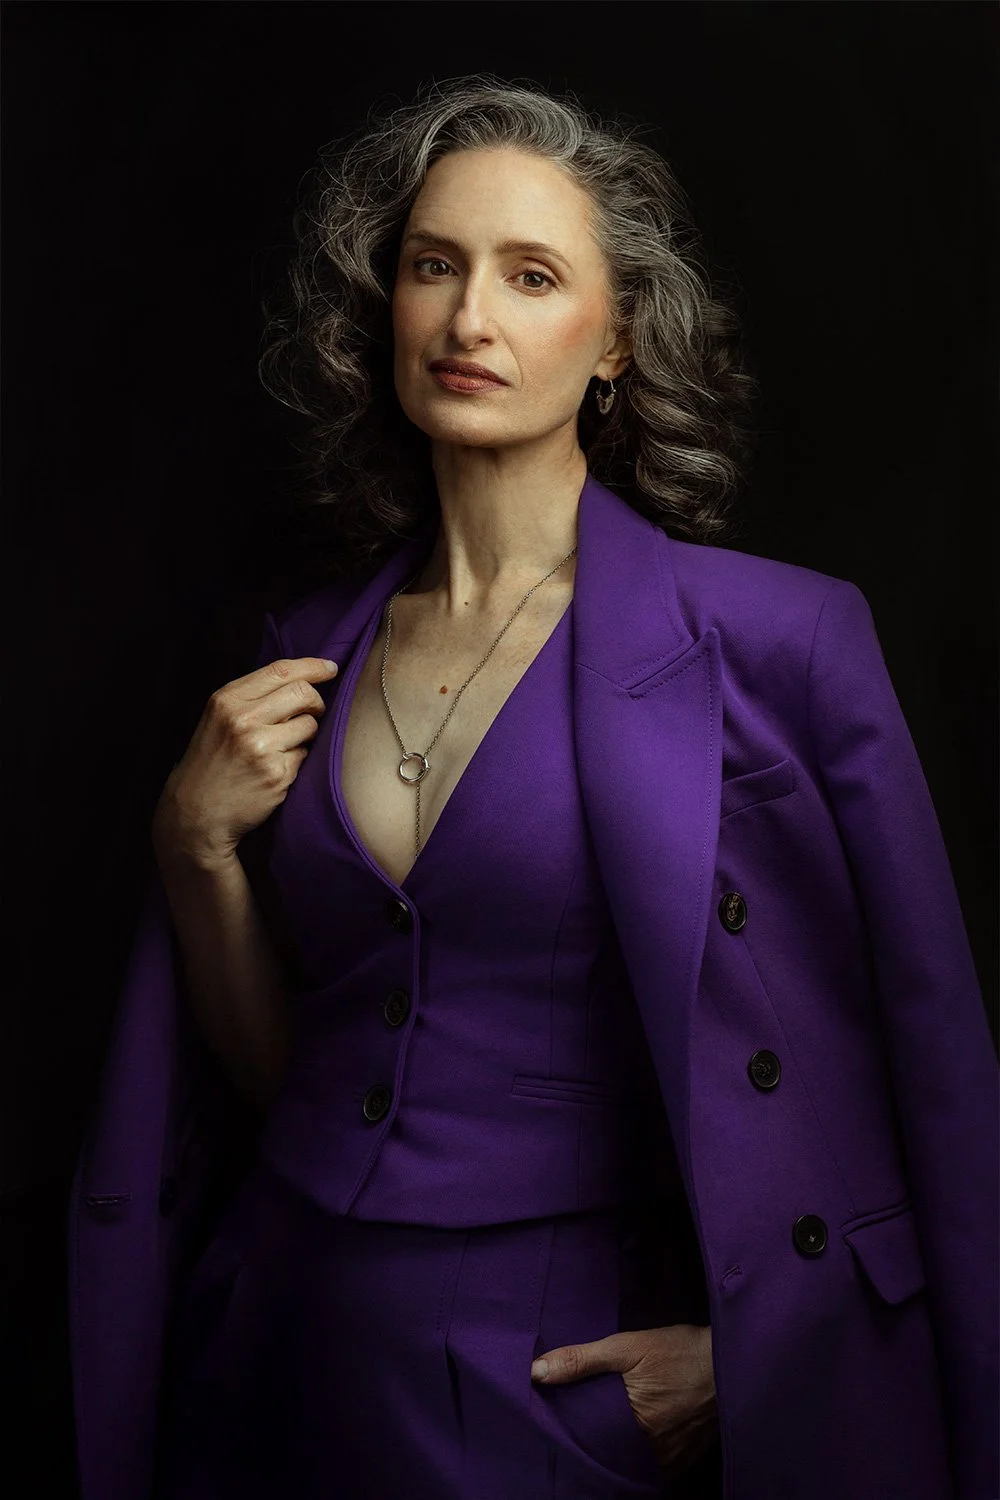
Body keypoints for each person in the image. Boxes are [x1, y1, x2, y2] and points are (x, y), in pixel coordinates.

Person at [68, 75, 998, 1500]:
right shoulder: (300, 649)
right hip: (276, 1356)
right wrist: (194, 849)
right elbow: (292, 1080)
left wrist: (756, 1354)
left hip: (550, 1388)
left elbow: (932, 1075)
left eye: (532, 275)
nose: (468, 319)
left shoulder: (781, 640)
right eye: (432, 265)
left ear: (617, 337)